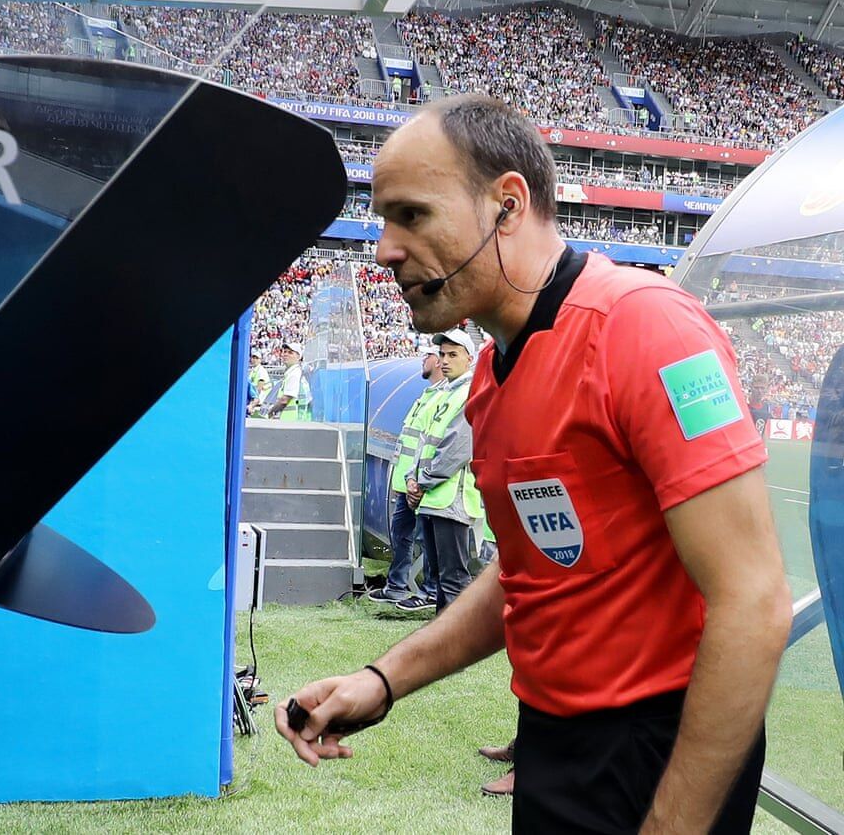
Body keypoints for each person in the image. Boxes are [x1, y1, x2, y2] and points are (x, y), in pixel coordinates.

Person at [276, 94, 791, 834]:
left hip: (660, 753)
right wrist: (382, 680)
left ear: (507, 205)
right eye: (384, 220)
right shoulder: (490, 377)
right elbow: (525, 578)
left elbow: (754, 602)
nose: (385, 248)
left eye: (411, 215)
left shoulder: (646, 328)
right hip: (554, 740)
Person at [368, 342, 447, 610]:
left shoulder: (444, 396)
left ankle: (430, 590)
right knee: (401, 534)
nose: (423, 358)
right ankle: (396, 586)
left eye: (428, 355)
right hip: (407, 480)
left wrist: (419, 480)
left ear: (437, 362)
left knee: (426, 539)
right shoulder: (426, 394)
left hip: (422, 484)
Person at [408, 328, 481, 613]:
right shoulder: (443, 393)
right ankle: (441, 638)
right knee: (439, 577)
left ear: (469, 359)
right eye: (442, 354)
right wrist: (413, 481)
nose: (444, 361)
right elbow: (422, 441)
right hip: (431, 497)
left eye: (453, 355)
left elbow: (456, 449)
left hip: (450, 499)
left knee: (453, 578)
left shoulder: (468, 394)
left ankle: (453, 643)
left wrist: (422, 483)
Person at [268, 341, 311, 421]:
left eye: (290, 353)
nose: (285, 354)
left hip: (292, 422)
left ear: (298, 357)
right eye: (284, 352)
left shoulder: (294, 374)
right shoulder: (294, 372)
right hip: (293, 422)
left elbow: (285, 400)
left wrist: (271, 411)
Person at [247, 351, 272, 416]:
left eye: (256, 358)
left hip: (261, 402)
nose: (254, 360)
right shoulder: (253, 371)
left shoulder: (261, 371)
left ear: (260, 360)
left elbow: (259, 388)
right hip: (256, 401)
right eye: (253, 357)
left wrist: (252, 403)